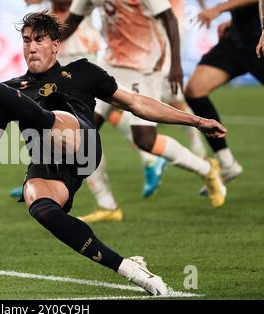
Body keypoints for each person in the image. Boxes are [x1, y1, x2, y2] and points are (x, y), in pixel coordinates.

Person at [0, 12, 227, 296]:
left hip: (80, 141)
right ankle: (131, 268)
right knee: (38, 203)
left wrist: (195, 120)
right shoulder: (13, 88)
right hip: (51, 167)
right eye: (27, 40)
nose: (32, 46)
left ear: (55, 45)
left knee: (51, 118)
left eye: (39, 40)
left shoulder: (83, 72)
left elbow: (137, 103)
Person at [61, 0, 227, 219]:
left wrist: (176, 64)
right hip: (110, 64)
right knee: (83, 133)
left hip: (145, 65)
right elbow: (73, 21)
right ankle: (107, 205)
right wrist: (47, 40)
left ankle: (207, 169)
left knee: (145, 140)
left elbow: (169, 18)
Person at [9, 0, 124, 223]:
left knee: (85, 131)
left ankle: (109, 197)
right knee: (81, 127)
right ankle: (100, 198)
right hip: (65, 50)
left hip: (79, 50)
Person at [185, 0, 263, 195]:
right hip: (238, 38)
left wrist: (218, 9)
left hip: (259, 38)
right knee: (195, 89)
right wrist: (233, 19)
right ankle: (227, 163)